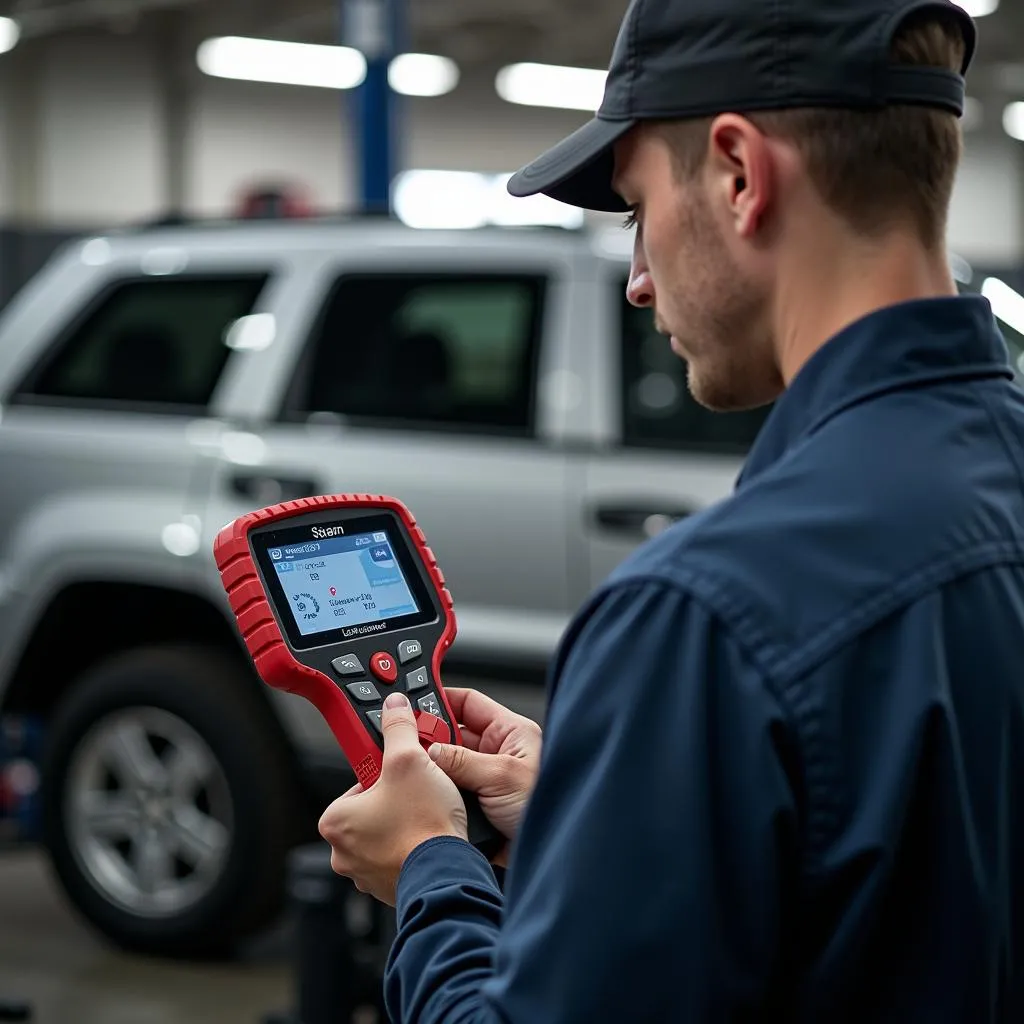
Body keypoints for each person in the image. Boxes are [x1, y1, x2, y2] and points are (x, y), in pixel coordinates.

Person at [319, 0, 1024, 1019]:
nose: (639, 280)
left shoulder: (706, 617)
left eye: (635, 206)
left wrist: (431, 869)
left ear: (738, 174)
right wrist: (610, 817)